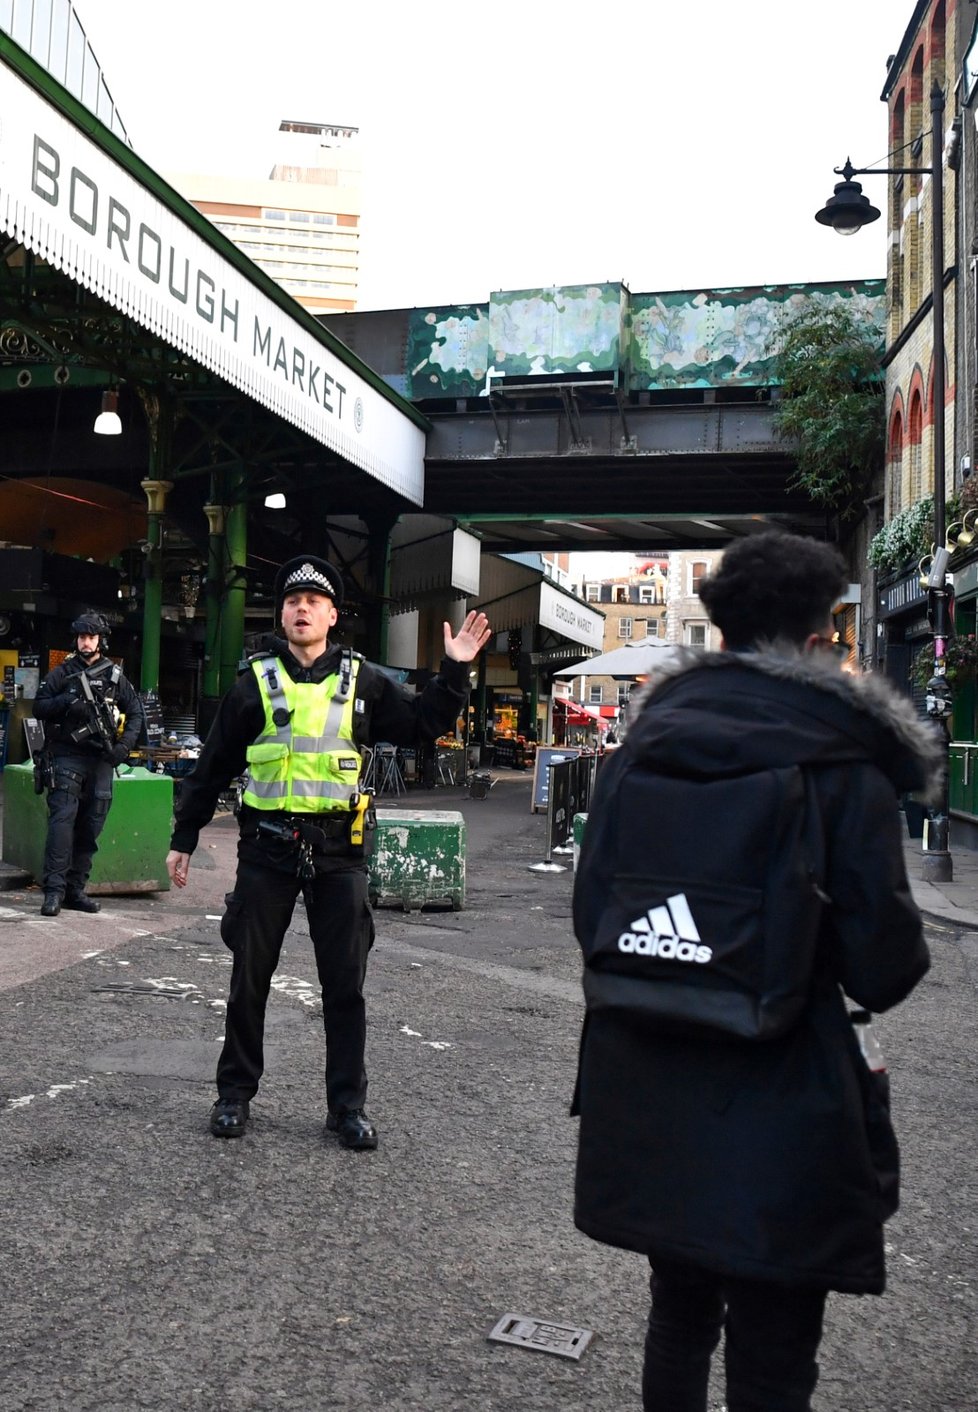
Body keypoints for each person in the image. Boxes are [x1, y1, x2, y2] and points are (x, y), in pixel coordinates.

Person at [572, 529, 940, 1412]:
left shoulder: (637, 755)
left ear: (722, 631)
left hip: (651, 1080)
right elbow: (884, 967)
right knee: (775, 1351)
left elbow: (594, 917)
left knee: (679, 1314)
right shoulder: (842, 766)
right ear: (820, 639)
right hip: (783, 1096)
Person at [165, 557, 491, 1149]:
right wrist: (183, 839)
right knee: (249, 979)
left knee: (346, 987)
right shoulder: (253, 682)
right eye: (293, 601)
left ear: (333, 616)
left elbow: (422, 725)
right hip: (266, 851)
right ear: (283, 614)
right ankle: (234, 1096)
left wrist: (455, 671)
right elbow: (211, 767)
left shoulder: (364, 681)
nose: (302, 609)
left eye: (314, 601)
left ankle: (346, 1108)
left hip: (341, 853)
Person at [33, 612, 145, 917]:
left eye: (92, 637)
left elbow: (136, 713)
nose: (86, 642)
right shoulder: (62, 673)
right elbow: (39, 706)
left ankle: (75, 890)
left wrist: (123, 747)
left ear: (101, 640)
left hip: (101, 759)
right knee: (61, 825)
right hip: (67, 755)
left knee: (91, 826)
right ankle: (53, 892)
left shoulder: (114, 676)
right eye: (82, 637)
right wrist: (68, 702)